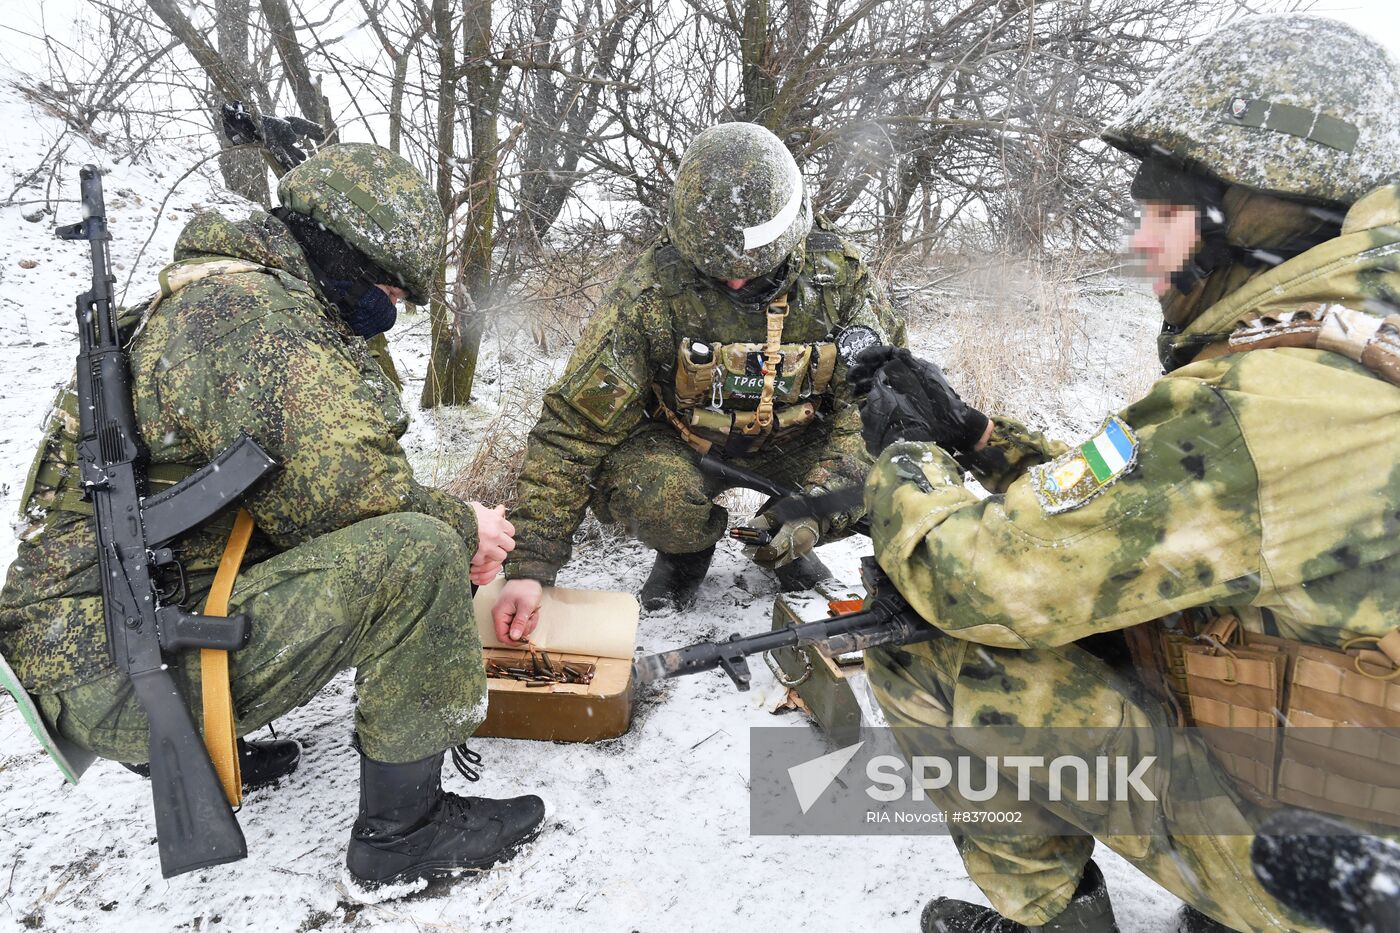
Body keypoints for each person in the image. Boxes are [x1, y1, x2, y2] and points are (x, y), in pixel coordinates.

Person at [850, 14, 1400, 933]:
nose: (1142, 246)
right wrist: (983, 436)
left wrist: (905, 456)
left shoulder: (1265, 398)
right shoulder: (1356, 354)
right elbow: (1150, 514)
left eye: (1165, 215)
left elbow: (982, 575)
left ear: (1258, 215)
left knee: (931, 642)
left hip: (1322, 876)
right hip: (1365, 827)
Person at [0, 143, 545, 890]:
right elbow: (357, 495)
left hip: (91, 643)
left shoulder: (222, 295)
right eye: (391, 290)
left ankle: (216, 737)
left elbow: (299, 487)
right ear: (346, 256)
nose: (391, 311)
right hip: (120, 665)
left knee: (328, 527)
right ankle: (404, 836)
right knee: (415, 551)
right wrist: (466, 526)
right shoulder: (249, 319)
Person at [492, 121, 906, 635]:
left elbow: (880, 413)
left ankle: (788, 536)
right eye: (718, 267)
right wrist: (531, 566)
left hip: (802, 445)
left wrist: (817, 505)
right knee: (655, 495)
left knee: (887, 477)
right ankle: (687, 551)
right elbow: (573, 427)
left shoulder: (840, 282)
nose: (734, 280)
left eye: (751, 267)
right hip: (688, 444)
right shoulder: (651, 293)